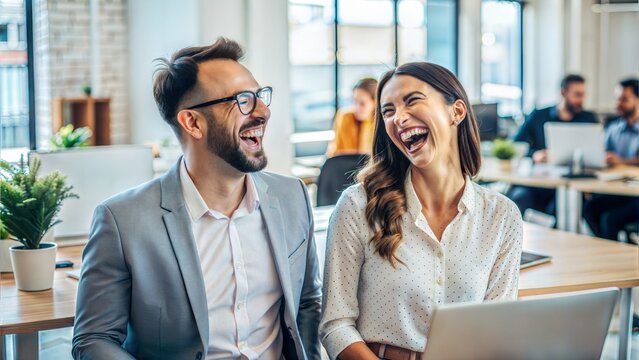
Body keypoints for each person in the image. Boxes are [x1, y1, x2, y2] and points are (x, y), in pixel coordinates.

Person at [72, 38, 322, 360]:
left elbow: (306, 302)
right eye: (242, 100)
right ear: (192, 122)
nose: (263, 111)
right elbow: (94, 340)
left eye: (260, 96)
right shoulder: (122, 220)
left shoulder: (292, 197)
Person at [319, 62, 523, 360]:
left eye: (412, 100)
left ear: (457, 111)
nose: (398, 117)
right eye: (388, 111)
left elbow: (498, 329)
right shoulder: (358, 205)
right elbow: (336, 325)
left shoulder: (502, 216)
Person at [508, 74, 598, 217]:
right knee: (518, 198)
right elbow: (516, 145)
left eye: (583, 95)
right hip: (538, 181)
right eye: (577, 95)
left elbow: (596, 153)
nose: (581, 100)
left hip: (571, 183)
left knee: (560, 207)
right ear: (563, 92)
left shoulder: (588, 118)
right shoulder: (539, 115)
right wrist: (534, 155)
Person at [583, 78, 639, 240]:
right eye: (617, 98)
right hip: (617, 190)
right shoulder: (613, 128)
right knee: (590, 209)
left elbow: (621, 160)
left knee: (609, 218)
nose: (618, 103)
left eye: (624, 99)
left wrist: (621, 161)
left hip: (636, 195)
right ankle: (608, 250)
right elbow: (600, 153)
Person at [326, 78, 377, 156]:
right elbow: (336, 154)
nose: (356, 107)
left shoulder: (381, 124)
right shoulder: (345, 117)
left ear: (375, 103)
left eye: (362, 103)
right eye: (354, 101)